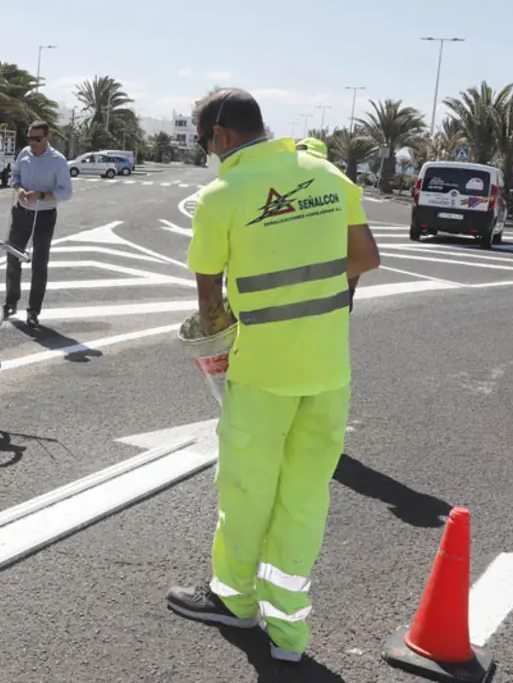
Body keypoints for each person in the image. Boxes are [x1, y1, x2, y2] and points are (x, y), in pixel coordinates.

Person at [165, 88, 380, 663]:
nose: (211, 153)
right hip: (330, 369)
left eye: (209, 143)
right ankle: (288, 634)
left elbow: (210, 297)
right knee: (305, 498)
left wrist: (219, 345)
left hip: (261, 373)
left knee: (246, 491)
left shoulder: (222, 195)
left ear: (222, 136)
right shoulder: (330, 176)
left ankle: (234, 601)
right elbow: (365, 257)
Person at [3, 120, 73, 328]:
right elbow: (14, 176)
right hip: (21, 213)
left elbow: (66, 192)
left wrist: (41, 195)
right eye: (30, 138)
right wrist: (19, 190)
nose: (32, 143)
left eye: (37, 139)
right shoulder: (24, 154)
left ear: (47, 138)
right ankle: (11, 301)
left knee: (39, 264)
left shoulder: (58, 161)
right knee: (13, 257)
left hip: (44, 216)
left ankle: (33, 310)